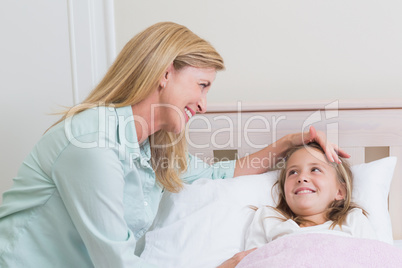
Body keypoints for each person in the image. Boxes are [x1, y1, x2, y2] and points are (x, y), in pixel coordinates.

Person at [0, 22, 347, 268]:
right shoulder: (93, 143)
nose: (204, 104)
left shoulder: (149, 149)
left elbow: (221, 172)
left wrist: (287, 143)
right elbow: (116, 262)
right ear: (165, 74)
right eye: (202, 85)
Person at [244, 142, 377, 251]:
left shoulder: (353, 220)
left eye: (315, 170)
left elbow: (374, 257)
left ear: (340, 192)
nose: (301, 178)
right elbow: (252, 261)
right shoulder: (269, 219)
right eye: (293, 172)